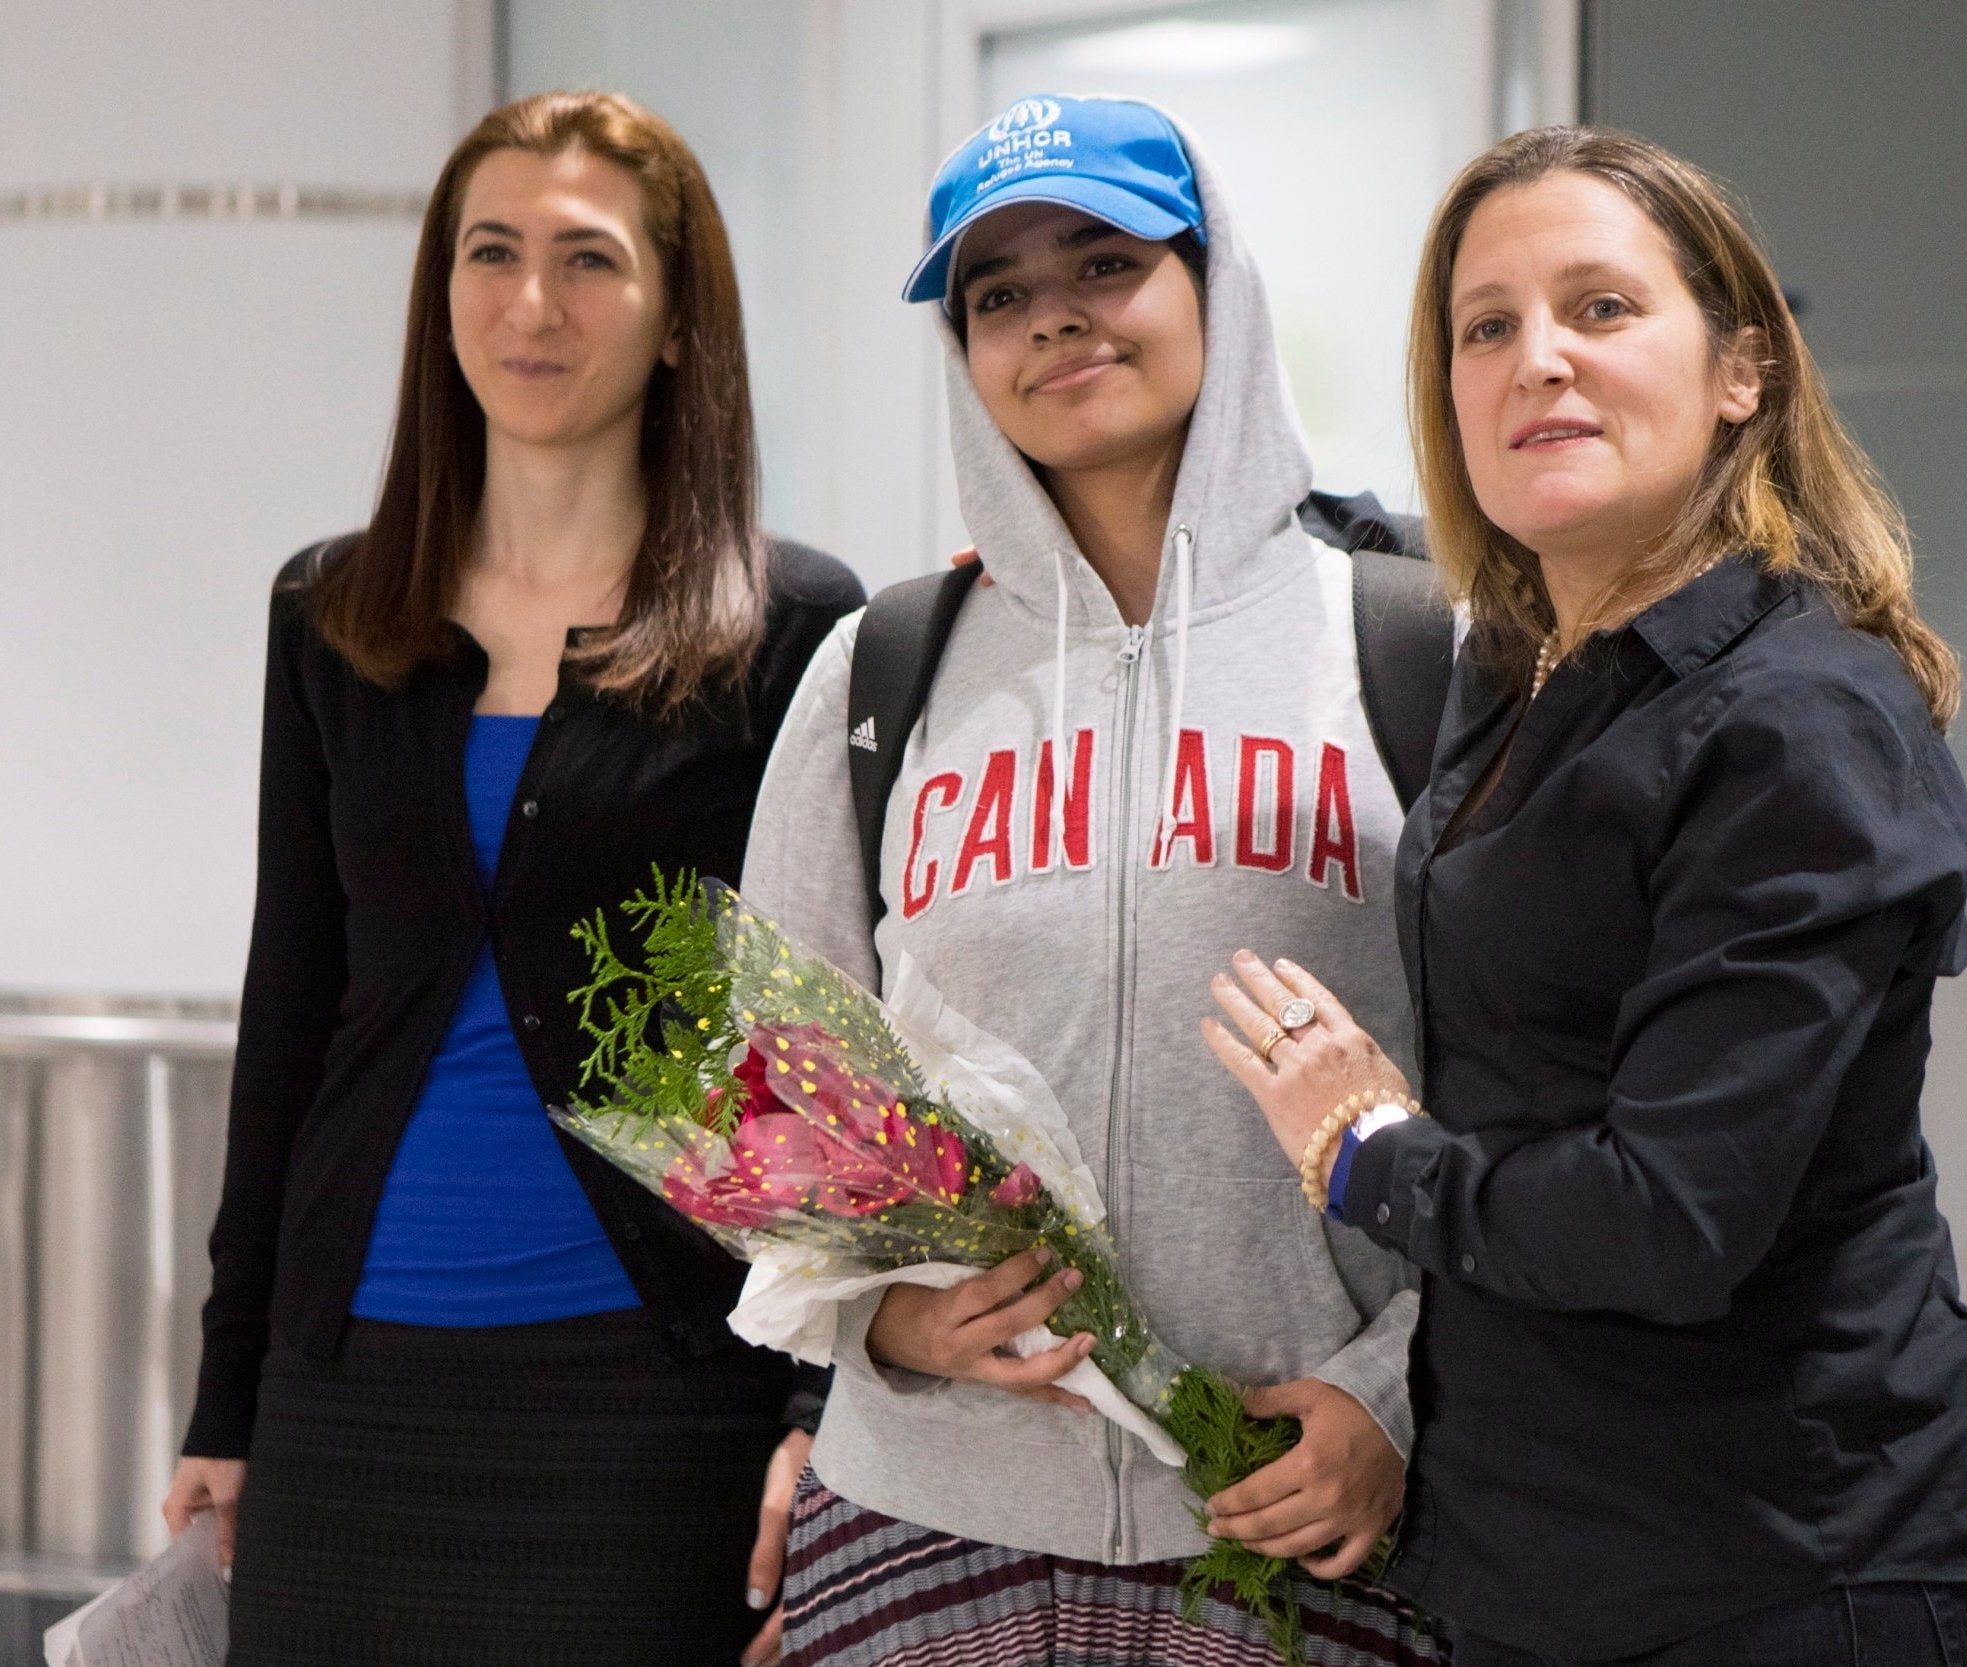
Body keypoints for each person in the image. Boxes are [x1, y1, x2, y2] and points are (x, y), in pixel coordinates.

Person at [1207, 126, 1967, 1667]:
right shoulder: (1522, 664)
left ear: (1741, 372)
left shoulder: (1794, 720)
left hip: (1799, 1581)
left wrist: (1363, 1151)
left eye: (1599, 309)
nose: (1538, 359)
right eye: (1487, 326)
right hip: (1546, 1564)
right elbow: (1362, 537)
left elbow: (1664, 1220)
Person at [160, 91, 861, 1667]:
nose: (531, 304)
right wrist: (230, 1386)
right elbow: (295, 1012)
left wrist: (820, 1410)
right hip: (350, 1378)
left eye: (590, 260)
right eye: (491, 252)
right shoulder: (334, 614)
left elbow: (818, 1047)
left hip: (653, 1380)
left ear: (681, 320)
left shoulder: (794, 628)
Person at [741, 95, 1441, 1667]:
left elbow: (1535, 1088)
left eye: (1105, 259)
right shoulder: (883, 671)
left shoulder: (1408, 643)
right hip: (923, 1522)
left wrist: (1391, 1395)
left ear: (1214, 288)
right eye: (996, 294)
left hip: (1290, 1519)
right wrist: (881, 1320)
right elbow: (774, 1083)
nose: (1052, 314)